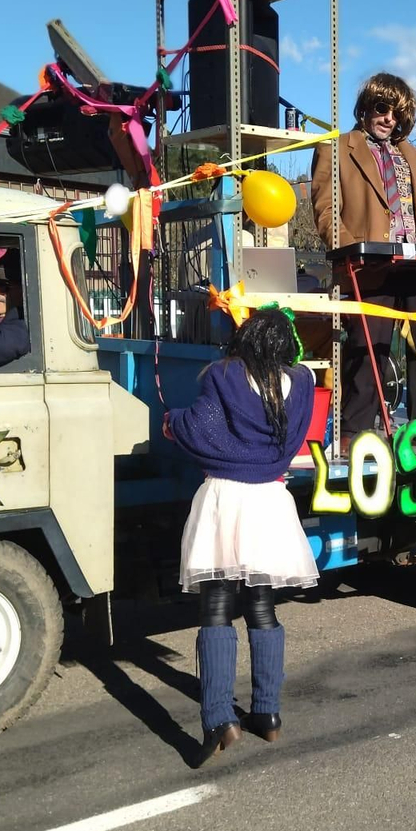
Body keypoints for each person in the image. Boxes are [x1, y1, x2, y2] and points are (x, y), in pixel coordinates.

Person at [163, 307, 319, 755]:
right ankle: (267, 714)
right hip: (270, 500)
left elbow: (201, 428)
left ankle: (217, 719)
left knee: (216, 605)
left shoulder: (224, 374)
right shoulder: (303, 382)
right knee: (262, 607)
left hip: (225, 497)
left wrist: (172, 421)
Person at [310, 73, 416, 438]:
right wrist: (350, 248)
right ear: (366, 108)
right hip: (368, 264)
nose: (389, 118)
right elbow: (325, 209)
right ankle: (356, 428)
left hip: (415, 262)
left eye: (397, 113)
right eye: (382, 108)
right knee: (368, 345)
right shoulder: (336, 147)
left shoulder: (412, 155)